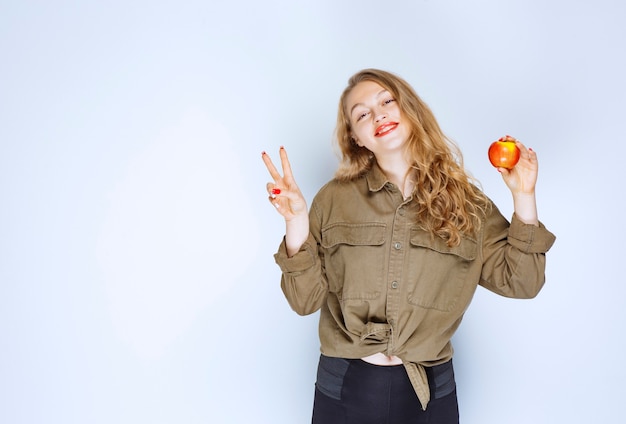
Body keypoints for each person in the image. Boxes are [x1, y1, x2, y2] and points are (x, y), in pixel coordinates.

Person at [261, 68, 555, 424]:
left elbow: (522, 282)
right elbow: (304, 301)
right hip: (346, 385)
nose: (379, 114)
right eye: (362, 114)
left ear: (410, 109)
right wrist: (295, 222)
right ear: (356, 138)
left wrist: (524, 195)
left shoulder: (467, 204)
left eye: (387, 101)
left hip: (429, 390)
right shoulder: (333, 200)